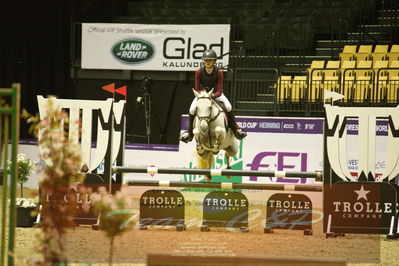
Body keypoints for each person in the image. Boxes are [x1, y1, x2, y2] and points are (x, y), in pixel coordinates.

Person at [180, 49, 247, 143]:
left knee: (228, 106)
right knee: (191, 109)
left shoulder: (219, 72)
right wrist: (204, 96)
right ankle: (189, 132)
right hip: (202, 95)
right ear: (203, 61)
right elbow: (197, 88)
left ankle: (236, 129)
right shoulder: (199, 71)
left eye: (210, 60)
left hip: (215, 94)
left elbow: (219, 91)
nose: (208, 62)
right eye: (206, 60)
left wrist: (211, 95)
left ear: (214, 61)